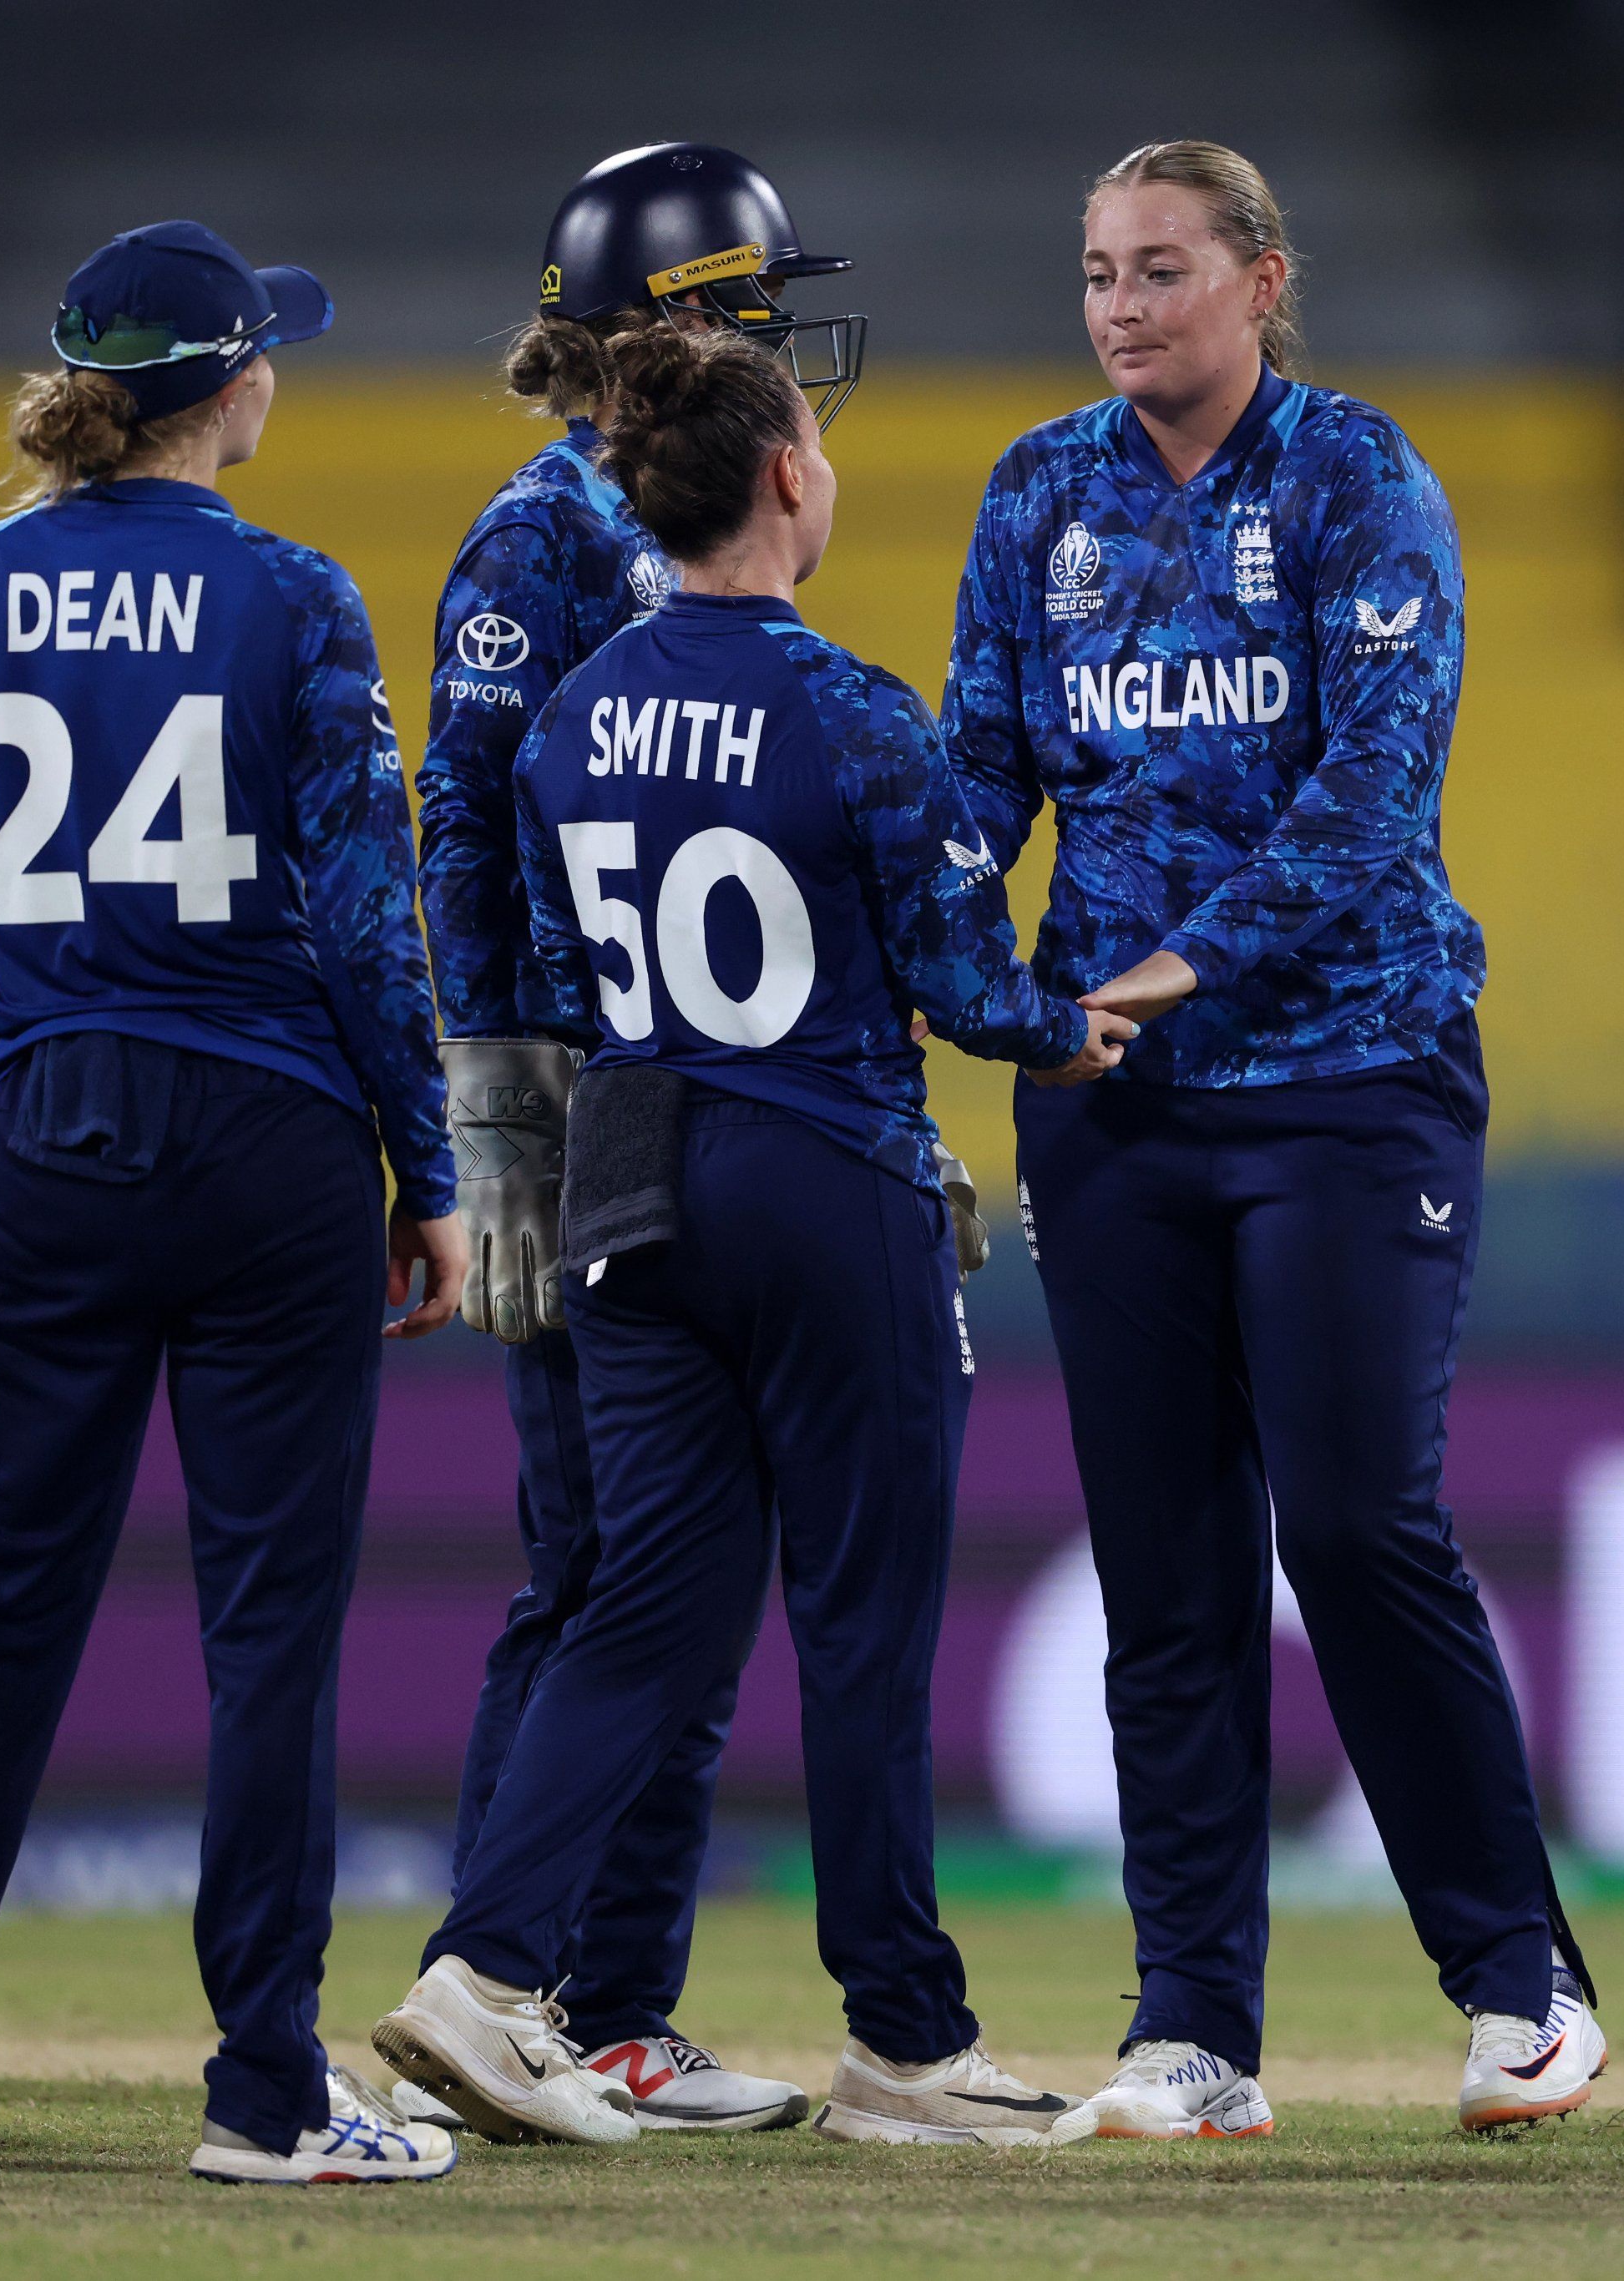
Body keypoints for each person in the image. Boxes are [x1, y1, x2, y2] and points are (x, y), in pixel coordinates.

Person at [0, 221, 463, 2189]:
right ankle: (263, 2095)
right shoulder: (295, 594)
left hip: (42, 1132)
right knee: (271, 1632)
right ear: (230, 385)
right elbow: (359, 911)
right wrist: (430, 1162)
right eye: (270, 358)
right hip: (271, 1139)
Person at [372, 324, 1132, 2147]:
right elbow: (963, 980)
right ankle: (907, 2042)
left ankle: (477, 1980)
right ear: (787, 473)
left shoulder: (570, 714)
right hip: (822, 1176)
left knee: (642, 1605)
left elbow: (544, 956)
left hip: (632, 1173)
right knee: (860, 1626)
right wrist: (1073, 1026)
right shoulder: (856, 709)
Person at [939, 139, 1597, 2140]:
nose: (1120, 306)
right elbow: (976, 771)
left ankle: (1520, 1989)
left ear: (1258, 279)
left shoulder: (1359, 483)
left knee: (1356, 1523)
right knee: (1162, 1565)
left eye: (1157, 268)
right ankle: (1192, 2037)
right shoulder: (1035, 493)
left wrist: (1152, 973)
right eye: (1092, 273)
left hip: (1347, 1077)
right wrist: (941, 956)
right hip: (1109, 1116)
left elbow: (1368, 803)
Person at [409, 139, 865, 2137]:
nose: (785, 346)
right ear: (677, 327)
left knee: (666, 1566)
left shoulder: (625, 514)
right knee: (601, 1560)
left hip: (688, 1096)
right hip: (598, 1109)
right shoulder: (541, 536)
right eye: (755, 306)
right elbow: (460, 832)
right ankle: (501, 1989)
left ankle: (604, 2004)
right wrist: (494, 1122)